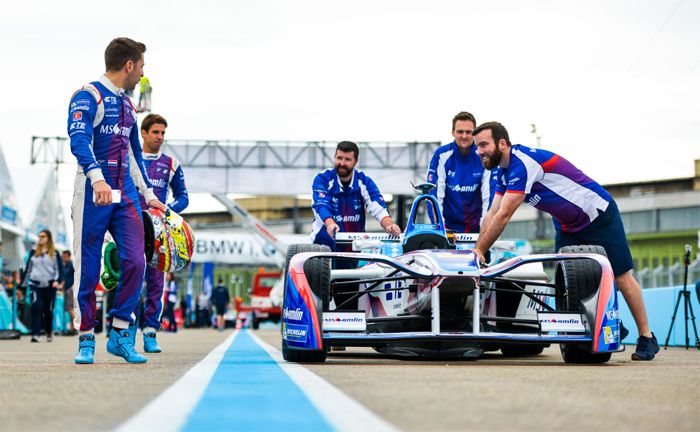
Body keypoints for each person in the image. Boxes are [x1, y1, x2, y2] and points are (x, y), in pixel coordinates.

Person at [471, 121, 658, 361]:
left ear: (503, 143)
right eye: (477, 147)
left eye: (484, 145)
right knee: (567, 283)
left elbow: (505, 215)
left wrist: (480, 250)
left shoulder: (523, 163)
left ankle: (646, 337)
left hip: (597, 214)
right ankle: (609, 325)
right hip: (567, 225)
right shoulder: (502, 172)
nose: (479, 151)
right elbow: (492, 213)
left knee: (620, 276)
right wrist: (477, 251)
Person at [67, 37, 166, 365]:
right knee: (89, 266)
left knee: (138, 260)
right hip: (93, 192)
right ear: (129, 65)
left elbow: (133, 153)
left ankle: (121, 331)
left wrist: (149, 195)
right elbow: (78, 138)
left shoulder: (127, 105)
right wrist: (97, 178)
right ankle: (85, 336)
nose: (142, 73)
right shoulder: (88, 95)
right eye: (141, 67)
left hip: (124, 196)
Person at [134, 113, 189, 353]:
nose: (160, 137)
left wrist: (167, 211)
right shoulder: (130, 159)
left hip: (158, 233)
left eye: (163, 133)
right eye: (155, 132)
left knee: (156, 283)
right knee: (132, 280)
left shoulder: (171, 163)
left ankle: (150, 333)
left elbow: (183, 197)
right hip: (131, 228)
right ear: (143, 133)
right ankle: (126, 331)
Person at [311, 141, 401, 249]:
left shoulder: (364, 181)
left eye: (347, 159)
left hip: (353, 248)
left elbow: (378, 207)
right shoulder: (323, 179)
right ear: (334, 157)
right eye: (339, 158)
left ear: (355, 162)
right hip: (323, 245)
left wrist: (389, 225)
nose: (342, 163)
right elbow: (321, 205)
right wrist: (330, 224)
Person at [427, 112, 494, 232]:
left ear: (475, 133)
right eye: (460, 131)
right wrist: (440, 228)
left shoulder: (484, 155)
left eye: (468, 132)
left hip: (478, 229)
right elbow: (434, 195)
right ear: (453, 132)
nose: (464, 136)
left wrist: (485, 229)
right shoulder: (441, 155)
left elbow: (490, 196)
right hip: (448, 229)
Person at [20, 230, 63, 343]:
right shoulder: (33, 252)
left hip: (50, 286)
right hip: (35, 285)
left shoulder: (55, 253)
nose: (40, 238)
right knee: (36, 308)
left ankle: (48, 331)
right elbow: (28, 270)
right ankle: (35, 334)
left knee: (48, 311)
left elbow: (59, 270)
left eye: (43, 236)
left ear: (48, 238)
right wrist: (22, 287)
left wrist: (57, 280)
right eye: (39, 236)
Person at [60, 250, 76, 335]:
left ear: (69, 256)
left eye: (65, 256)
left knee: (70, 309)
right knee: (69, 309)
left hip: (70, 289)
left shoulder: (70, 265)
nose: (63, 258)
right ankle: (71, 328)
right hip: (67, 289)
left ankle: (73, 329)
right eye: (63, 256)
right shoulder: (65, 265)